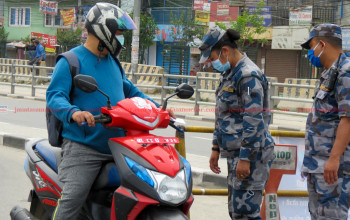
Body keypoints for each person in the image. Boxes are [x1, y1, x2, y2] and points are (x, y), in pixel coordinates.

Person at [47, 3, 173, 219]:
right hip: (84, 147)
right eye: (119, 32)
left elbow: (130, 90)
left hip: (120, 146)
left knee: (147, 191)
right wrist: (74, 113)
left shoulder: (113, 62)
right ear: (103, 29)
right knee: (73, 198)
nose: (121, 38)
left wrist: (156, 107)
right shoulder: (70, 60)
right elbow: (54, 96)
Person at [198, 26, 274, 219]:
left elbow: (253, 118)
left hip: (251, 157)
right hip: (236, 156)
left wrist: (245, 158)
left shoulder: (248, 76)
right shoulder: (229, 74)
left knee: (246, 214)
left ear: (224, 50)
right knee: (236, 212)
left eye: (212, 58)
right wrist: (216, 148)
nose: (211, 63)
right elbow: (222, 114)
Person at [300, 23, 350, 220]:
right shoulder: (330, 73)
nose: (310, 53)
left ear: (321, 44)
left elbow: (348, 119)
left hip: (332, 168)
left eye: (311, 47)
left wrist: (334, 159)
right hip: (318, 165)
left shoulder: (346, 73)